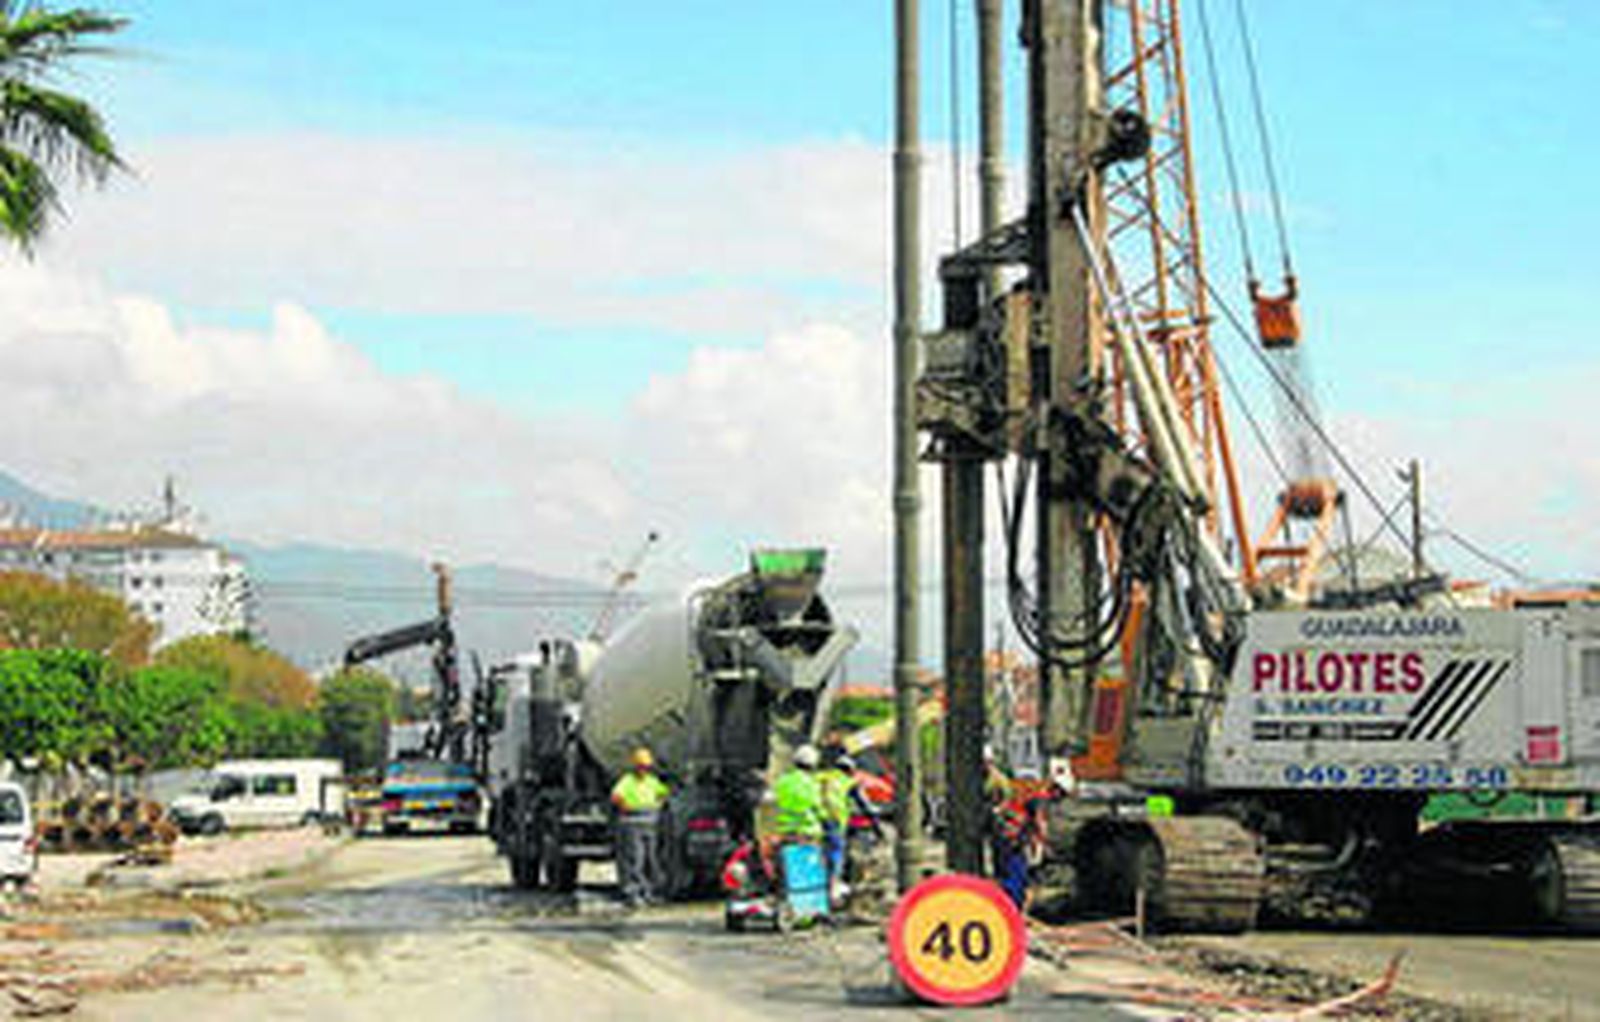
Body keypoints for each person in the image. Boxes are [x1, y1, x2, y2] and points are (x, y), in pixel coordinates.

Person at [610, 746, 670, 907]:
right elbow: (616, 796)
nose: (644, 769)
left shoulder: (651, 781)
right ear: (635, 766)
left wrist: (658, 803)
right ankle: (632, 893)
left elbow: (664, 793)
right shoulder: (628, 781)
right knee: (634, 859)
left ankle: (648, 892)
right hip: (632, 823)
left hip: (650, 823)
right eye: (641, 766)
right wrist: (626, 807)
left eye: (646, 766)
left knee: (650, 859)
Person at [817, 747, 856, 900]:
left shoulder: (822, 777)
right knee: (836, 854)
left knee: (821, 853)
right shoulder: (848, 782)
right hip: (835, 821)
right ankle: (834, 886)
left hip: (817, 821)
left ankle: (821, 884)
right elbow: (863, 804)